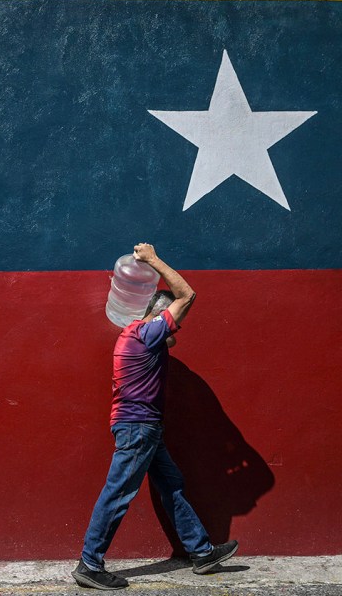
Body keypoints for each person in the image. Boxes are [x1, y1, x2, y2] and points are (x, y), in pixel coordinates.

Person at [72, 243, 238, 591]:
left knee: (172, 485)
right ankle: (90, 562)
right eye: (173, 321)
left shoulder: (135, 336)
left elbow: (169, 342)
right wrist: (152, 260)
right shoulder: (147, 335)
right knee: (118, 493)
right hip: (138, 430)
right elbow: (187, 295)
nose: (177, 328)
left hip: (144, 429)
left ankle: (201, 552)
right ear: (160, 315)